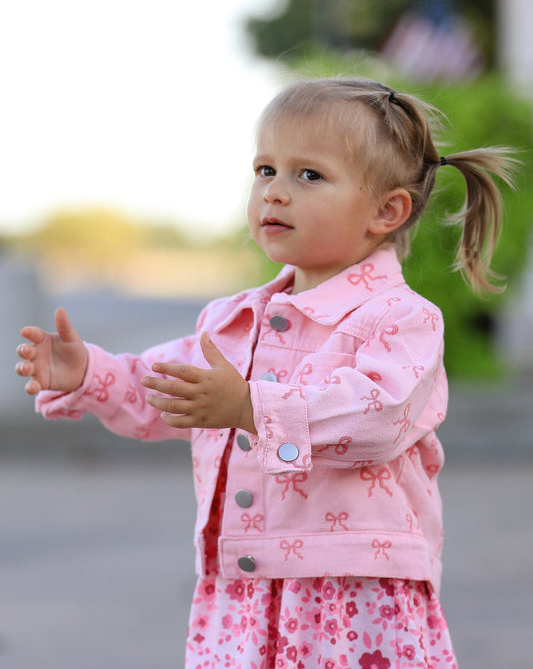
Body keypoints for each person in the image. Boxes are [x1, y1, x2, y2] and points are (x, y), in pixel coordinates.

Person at [16, 77, 515, 668]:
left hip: (352, 595)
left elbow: (377, 416)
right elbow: (168, 389)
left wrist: (252, 406)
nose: (275, 192)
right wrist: (88, 372)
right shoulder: (232, 320)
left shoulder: (401, 319)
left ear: (387, 211)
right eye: (265, 170)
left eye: (309, 175)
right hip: (245, 594)